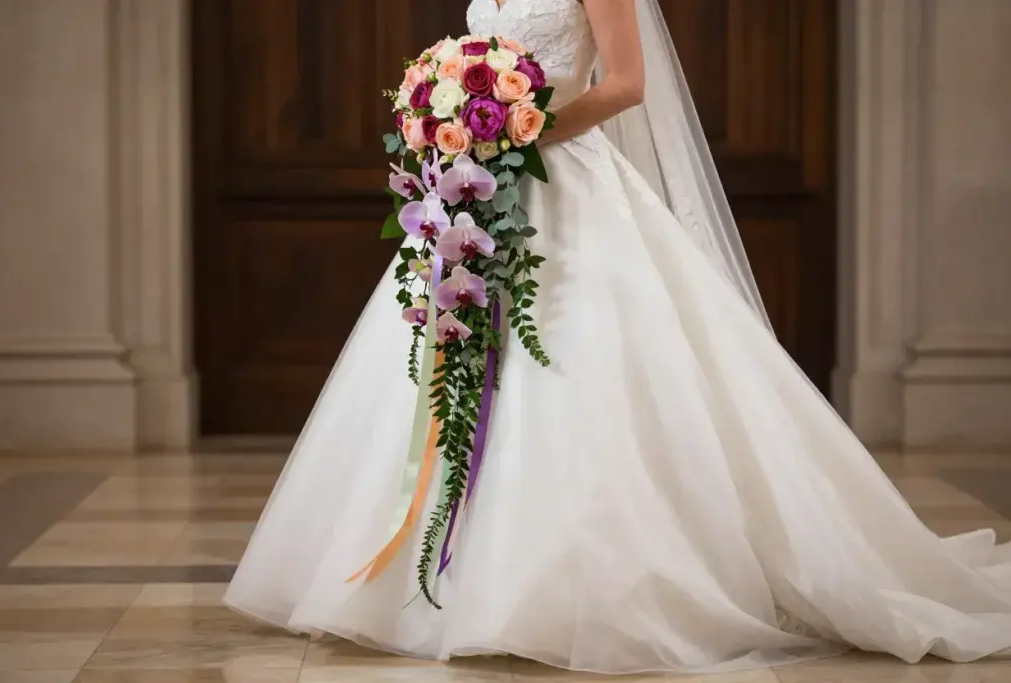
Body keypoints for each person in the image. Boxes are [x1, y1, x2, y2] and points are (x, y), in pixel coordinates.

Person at [223, 0, 1011, 673]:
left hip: (567, 186)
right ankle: (433, 579)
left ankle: (561, 589)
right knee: (442, 373)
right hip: (480, 193)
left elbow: (628, 83)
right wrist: (450, 126)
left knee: (576, 368)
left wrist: (522, 131)